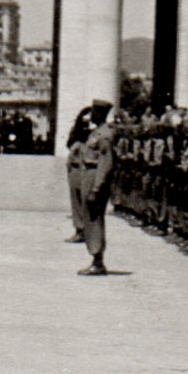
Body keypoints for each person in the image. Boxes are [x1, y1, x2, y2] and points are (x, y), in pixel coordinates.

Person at [76, 99, 116, 275]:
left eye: (93, 112)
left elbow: (105, 163)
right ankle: (95, 258)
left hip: (95, 178)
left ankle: (97, 261)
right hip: (88, 175)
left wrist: (96, 188)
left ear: (100, 113)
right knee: (90, 217)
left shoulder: (104, 134)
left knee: (94, 218)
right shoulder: (96, 132)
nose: (91, 115)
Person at [64, 106, 94, 243]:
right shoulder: (76, 131)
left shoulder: (96, 133)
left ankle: (86, 230)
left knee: (86, 199)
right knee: (76, 198)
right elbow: (69, 143)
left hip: (87, 166)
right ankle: (80, 230)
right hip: (76, 165)